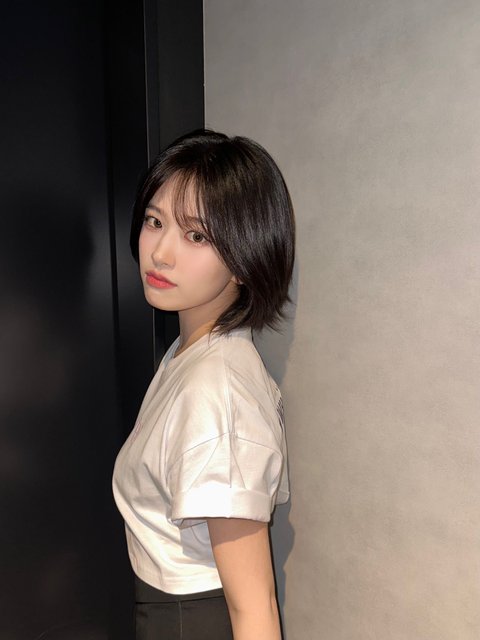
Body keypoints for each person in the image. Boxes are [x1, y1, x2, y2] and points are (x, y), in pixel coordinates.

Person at [112, 129, 295, 640]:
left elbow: (254, 607)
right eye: (155, 221)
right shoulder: (190, 353)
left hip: (188, 622)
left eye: (196, 236)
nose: (161, 253)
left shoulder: (217, 391)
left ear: (245, 257)